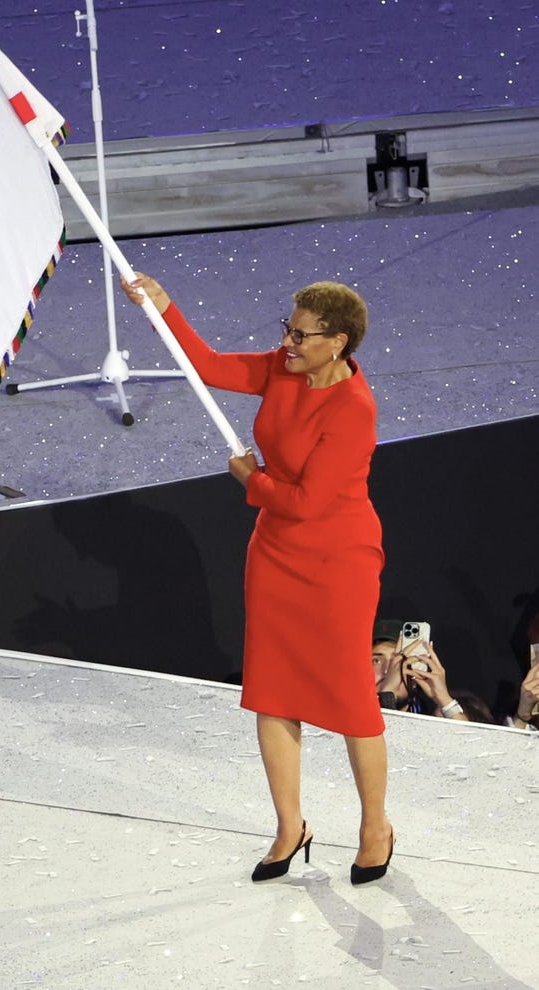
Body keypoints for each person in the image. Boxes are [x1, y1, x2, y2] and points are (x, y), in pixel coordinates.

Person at [122, 274, 393, 884]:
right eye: (287, 329)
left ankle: (375, 826)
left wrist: (250, 480)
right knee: (271, 690)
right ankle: (289, 826)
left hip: (337, 560)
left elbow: (306, 502)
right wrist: (164, 308)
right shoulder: (283, 367)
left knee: (351, 699)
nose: (287, 342)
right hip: (274, 553)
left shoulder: (354, 410)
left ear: (338, 341)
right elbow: (211, 366)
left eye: (300, 334)